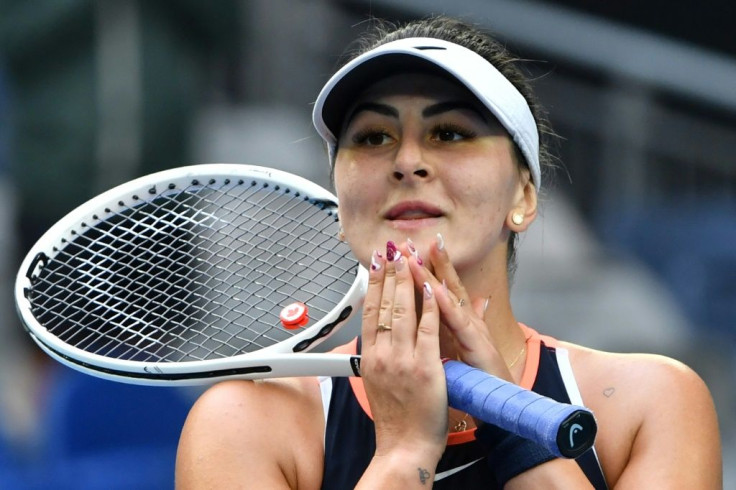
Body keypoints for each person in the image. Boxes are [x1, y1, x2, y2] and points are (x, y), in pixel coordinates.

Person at [175, 16, 722, 489]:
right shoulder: (244, 424)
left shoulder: (648, 403)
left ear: (524, 197)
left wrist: (515, 432)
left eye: (451, 133)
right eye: (371, 137)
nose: (407, 161)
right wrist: (404, 452)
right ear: (341, 207)